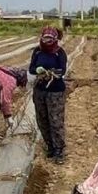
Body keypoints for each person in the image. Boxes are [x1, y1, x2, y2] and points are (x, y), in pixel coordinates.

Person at [29, 27, 69, 163]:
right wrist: (38, 70)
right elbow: (31, 68)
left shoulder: (59, 52)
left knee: (56, 121)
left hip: (55, 91)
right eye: (45, 38)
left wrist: (51, 73)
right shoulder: (37, 51)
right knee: (42, 119)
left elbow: (62, 70)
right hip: (40, 90)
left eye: (49, 39)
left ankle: (59, 150)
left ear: (55, 39)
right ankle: (50, 146)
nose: (47, 41)